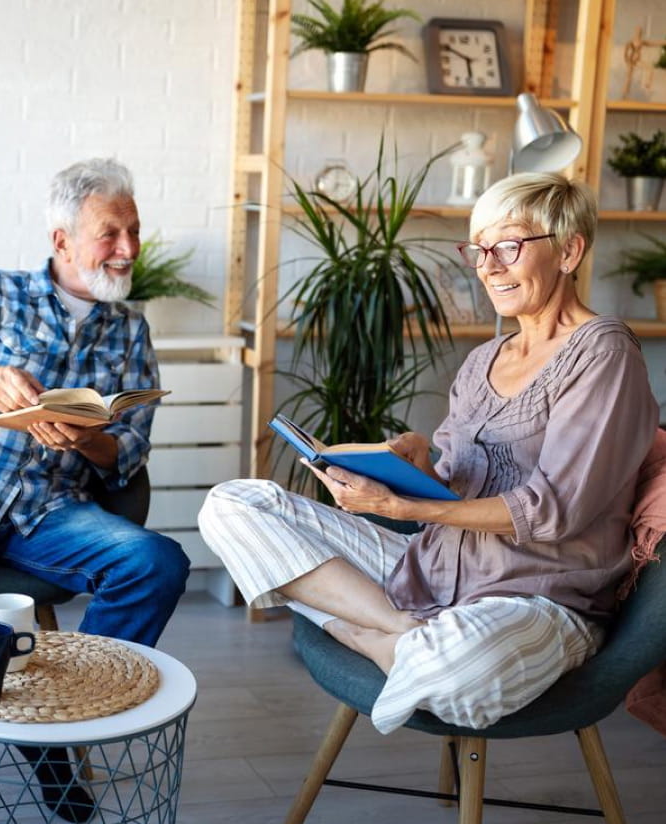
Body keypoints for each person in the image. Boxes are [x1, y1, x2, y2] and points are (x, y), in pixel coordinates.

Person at [198, 172, 659, 737]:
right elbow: (451, 489)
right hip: (431, 574)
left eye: (508, 246)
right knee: (233, 505)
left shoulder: (603, 354)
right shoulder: (482, 360)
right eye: (480, 249)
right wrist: (415, 470)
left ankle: (365, 631)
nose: (489, 265)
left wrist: (406, 509)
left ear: (569, 250)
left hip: (538, 598)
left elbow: (554, 510)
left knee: (456, 667)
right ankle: (398, 628)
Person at [0, 157, 190, 822]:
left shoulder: (131, 329)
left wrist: (88, 438)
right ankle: (25, 732)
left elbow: (128, 451)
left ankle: (59, 729)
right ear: (62, 241)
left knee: (158, 563)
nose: (129, 249)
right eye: (111, 233)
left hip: (48, 512)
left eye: (134, 231)